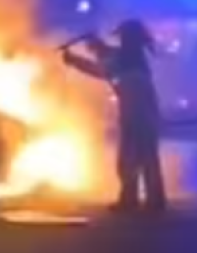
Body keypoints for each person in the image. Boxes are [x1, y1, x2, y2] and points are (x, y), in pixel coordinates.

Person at [61, 19, 167, 213]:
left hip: (136, 115)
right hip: (143, 114)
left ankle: (133, 200)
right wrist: (97, 45)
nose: (122, 40)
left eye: (124, 37)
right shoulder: (133, 58)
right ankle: (152, 200)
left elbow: (102, 69)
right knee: (146, 159)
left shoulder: (127, 60)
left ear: (129, 38)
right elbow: (110, 56)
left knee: (131, 159)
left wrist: (74, 60)